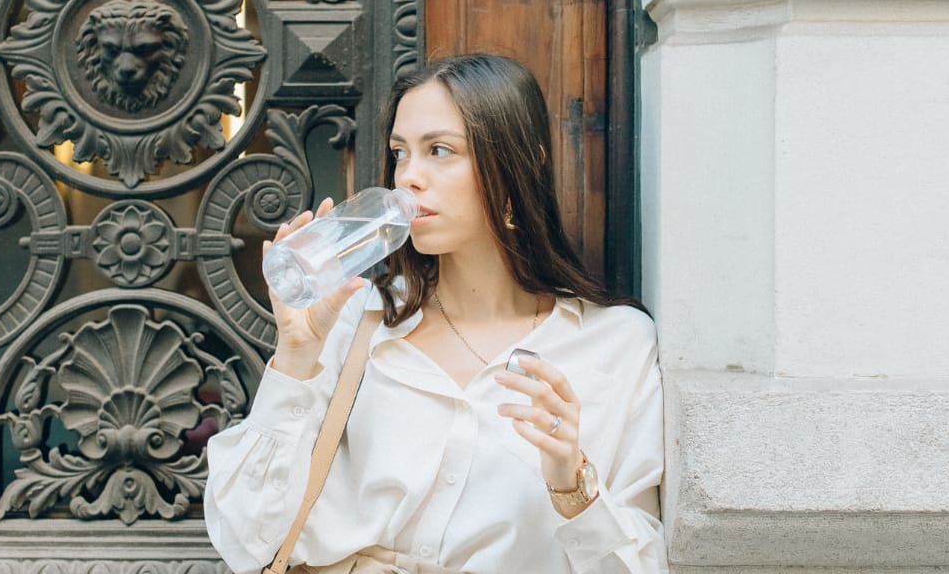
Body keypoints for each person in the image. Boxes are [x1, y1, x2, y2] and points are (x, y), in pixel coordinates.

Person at [205, 54, 667, 573]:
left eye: (440, 151)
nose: (409, 179)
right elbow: (245, 539)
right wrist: (294, 358)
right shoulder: (357, 316)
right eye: (400, 153)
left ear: (520, 167)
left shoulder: (615, 346)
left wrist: (573, 484)